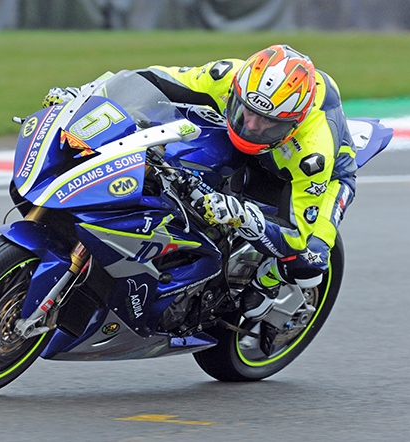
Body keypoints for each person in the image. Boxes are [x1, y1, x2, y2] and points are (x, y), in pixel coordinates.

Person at [43, 45, 357, 351]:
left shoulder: (314, 153)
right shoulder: (226, 75)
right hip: (256, 147)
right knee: (182, 154)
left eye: (267, 122)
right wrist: (85, 95)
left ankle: (265, 284)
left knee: (307, 264)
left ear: (293, 124)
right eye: (247, 111)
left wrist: (241, 215)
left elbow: (295, 237)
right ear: (236, 92)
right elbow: (150, 79)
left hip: (311, 177)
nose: (251, 125)